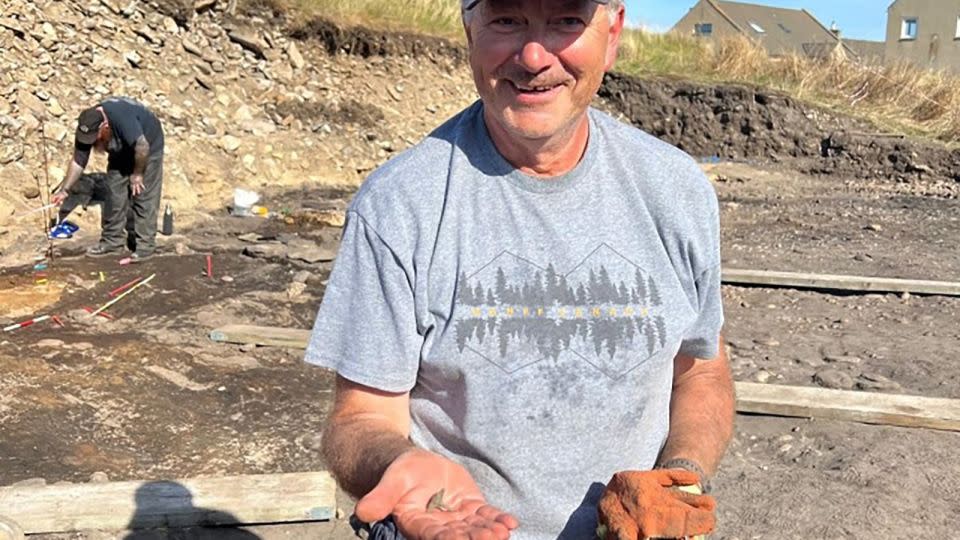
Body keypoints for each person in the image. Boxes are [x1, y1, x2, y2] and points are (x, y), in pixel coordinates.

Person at [305, 1, 735, 539]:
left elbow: (701, 373)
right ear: (468, 30)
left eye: (565, 22)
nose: (534, 56)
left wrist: (682, 481)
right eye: (506, 20)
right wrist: (397, 463)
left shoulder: (676, 191)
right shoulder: (400, 205)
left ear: (614, 32)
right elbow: (359, 419)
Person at [51, 97, 164, 261]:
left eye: (95, 138)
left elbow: (142, 146)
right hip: (120, 149)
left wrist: (137, 174)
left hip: (147, 147)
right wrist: (64, 190)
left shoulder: (122, 119)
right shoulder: (87, 126)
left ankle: (145, 246)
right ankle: (113, 242)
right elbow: (78, 161)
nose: (93, 142)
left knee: (143, 196)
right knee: (114, 192)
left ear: (105, 127)